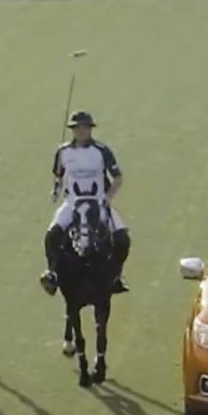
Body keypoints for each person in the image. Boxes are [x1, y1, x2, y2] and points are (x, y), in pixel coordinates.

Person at [42, 110, 129, 295]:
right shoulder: (63, 152)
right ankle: (53, 274)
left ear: (90, 129)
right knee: (51, 236)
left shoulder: (102, 151)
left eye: (85, 127)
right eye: (77, 128)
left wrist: (108, 198)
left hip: (98, 202)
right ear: (72, 130)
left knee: (122, 238)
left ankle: (115, 276)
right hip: (72, 203)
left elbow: (118, 178)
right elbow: (58, 175)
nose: (81, 131)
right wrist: (56, 188)